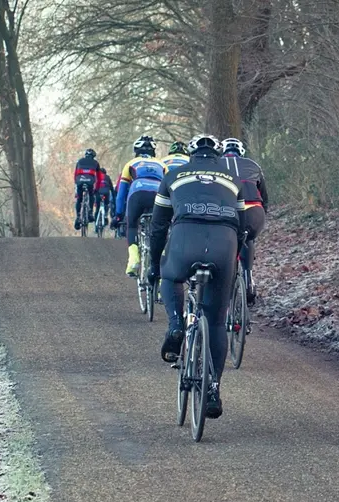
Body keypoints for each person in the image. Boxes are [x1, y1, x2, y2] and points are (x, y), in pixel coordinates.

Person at [148, 134, 245, 419]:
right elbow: (243, 226)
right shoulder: (232, 178)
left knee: (171, 277)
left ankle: (176, 325)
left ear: (191, 155)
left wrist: (155, 265)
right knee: (215, 321)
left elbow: (157, 226)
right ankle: (213, 387)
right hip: (224, 243)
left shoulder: (173, 175)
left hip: (184, 239)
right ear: (217, 155)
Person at [221, 138, 268, 305]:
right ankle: (248, 278)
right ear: (241, 152)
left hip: (229, 210)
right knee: (248, 238)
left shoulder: (217, 165)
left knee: (227, 239)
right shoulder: (253, 165)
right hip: (255, 210)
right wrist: (263, 216)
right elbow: (264, 197)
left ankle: (225, 280)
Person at [112, 135, 163, 276]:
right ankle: (160, 268)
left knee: (132, 224)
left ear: (136, 150)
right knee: (161, 228)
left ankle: (133, 258)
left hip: (137, 193)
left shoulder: (131, 163)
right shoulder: (161, 164)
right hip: (157, 194)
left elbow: (121, 193)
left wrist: (118, 215)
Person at [73, 148, 101, 230]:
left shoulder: (79, 161)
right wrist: (97, 189)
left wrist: (76, 183)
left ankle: (78, 216)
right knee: (91, 195)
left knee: (79, 199)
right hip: (90, 181)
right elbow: (99, 177)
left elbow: (75, 174)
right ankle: (90, 213)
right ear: (93, 156)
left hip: (79, 180)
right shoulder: (95, 163)